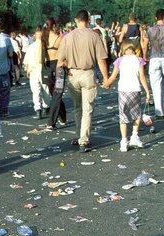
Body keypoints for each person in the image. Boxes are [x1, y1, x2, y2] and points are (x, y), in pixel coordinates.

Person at [57, 10, 109, 152]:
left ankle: (78, 134)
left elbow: (60, 61)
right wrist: (106, 78)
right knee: (88, 109)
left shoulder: (67, 37)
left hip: (73, 74)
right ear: (88, 20)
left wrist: (59, 81)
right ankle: (83, 140)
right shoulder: (94, 36)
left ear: (76, 20)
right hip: (88, 74)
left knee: (78, 107)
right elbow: (101, 60)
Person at [103, 40, 152, 152]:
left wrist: (106, 84)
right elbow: (142, 77)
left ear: (123, 49)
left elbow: (113, 76)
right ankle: (134, 136)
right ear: (134, 49)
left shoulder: (119, 60)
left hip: (123, 90)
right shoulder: (139, 60)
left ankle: (124, 141)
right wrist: (148, 92)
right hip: (135, 89)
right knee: (137, 115)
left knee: (123, 116)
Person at [23, 26, 51, 120]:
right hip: (44, 69)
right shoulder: (46, 45)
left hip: (33, 70)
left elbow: (26, 61)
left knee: (36, 91)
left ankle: (38, 110)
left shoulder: (31, 46)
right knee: (45, 89)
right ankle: (46, 107)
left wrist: (27, 70)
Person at [45, 17, 68, 127]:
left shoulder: (43, 39)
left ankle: (57, 119)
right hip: (59, 68)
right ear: (54, 26)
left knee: (55, 95)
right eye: (57, 26)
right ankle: (57, 119)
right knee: (57, 95)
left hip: (47, 67)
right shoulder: (60, 39)